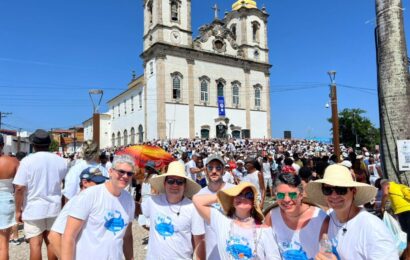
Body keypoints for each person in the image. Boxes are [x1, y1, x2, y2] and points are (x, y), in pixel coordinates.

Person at [306, 164, 398, 260]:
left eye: (341, 189)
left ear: (353, 191)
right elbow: (325, 251)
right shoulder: (329, 219)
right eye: (327, 190)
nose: (334, 195)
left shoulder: (372, 227)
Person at [61, 155, 135, 260]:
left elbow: (127, 237)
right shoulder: (90, 195)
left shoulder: (129, 200)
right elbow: (69, 236)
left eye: (129, 173)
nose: (125, 176)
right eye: (121, 172)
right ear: (110, 171)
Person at [13, 129, 68, 260]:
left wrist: (17, 211)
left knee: (35, 245)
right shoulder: (61, 161)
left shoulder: (27, 161)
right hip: (54, 208)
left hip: (33, 208)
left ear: (34, 144)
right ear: (49, 144)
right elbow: (65, 186)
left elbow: (19, 188)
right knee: (52, 243)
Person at [193, 182, 281, 260]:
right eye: (238, 194)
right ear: (232, 199)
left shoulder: (264, 230)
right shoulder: (221, 221)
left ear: (253, 202)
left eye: (248, 195)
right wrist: (226, 195)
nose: (243, 198)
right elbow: (197, 200)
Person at [141, 161, 203, 259]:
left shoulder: (193, 208)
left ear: (185, 185)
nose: (175, 185)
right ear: (164, 183)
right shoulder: (153, 201)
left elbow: (199, 242)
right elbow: (136, 210)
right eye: (170, 181)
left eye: (179, 182)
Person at [48, 167, 108, 258]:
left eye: (103, 182)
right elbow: (53, 236)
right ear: (85, 183)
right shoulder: (76, 201)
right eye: (98, 183)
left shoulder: (92, 200)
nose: (102, 185)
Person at [264, 174, 326, 259]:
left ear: (301, 196)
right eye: (280, 195)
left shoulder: (320, 217)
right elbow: (268, 250)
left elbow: (327, 251)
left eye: (292, 195)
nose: (287, 200)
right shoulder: (271, 216)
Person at [195, 154, 236, 260]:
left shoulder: (235, 191)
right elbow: (198, 232)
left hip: (234, 252)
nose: (214, 171)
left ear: (223, 171)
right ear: (206, 171)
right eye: (210, 168)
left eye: (218, 168)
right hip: (211, 254)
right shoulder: (200, 195)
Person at [0, 134, 19, 259]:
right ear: (2, 145)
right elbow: (19, 187)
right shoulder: (13, 161)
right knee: (3, 245)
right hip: (6, 200)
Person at [381, 180, 410, 258]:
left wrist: (382, 206)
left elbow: (385, 194)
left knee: (406, 235)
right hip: (408, 208)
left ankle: (407, 257)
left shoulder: (385, 184)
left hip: (403, 211)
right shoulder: (399, 185)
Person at [137, 161, 159, 229]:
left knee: (148, 222)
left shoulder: (154, 177)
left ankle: (153, 234)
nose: (145, 168)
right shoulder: (146, 176)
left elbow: (155, 191)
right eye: (146, 167)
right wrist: (140, 199)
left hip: (150, 200)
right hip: (144, 200)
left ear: (151, 168)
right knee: (142, 222)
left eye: (147, 167)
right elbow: (143, 190)